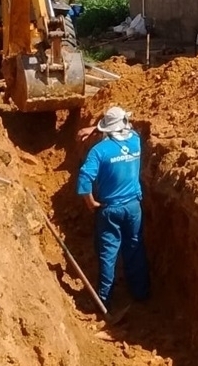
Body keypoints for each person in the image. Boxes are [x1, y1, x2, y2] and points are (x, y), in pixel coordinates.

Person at [76, 106, 150, 310]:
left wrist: (90, 202)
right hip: (134, 207)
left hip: (109, 210)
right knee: (134, 247)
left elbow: (84, 179)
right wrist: (97, 128)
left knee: (108, 253)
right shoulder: (135, 141)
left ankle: (104, 300)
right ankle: (140, 292)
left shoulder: (99, 151)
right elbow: (130, 126)